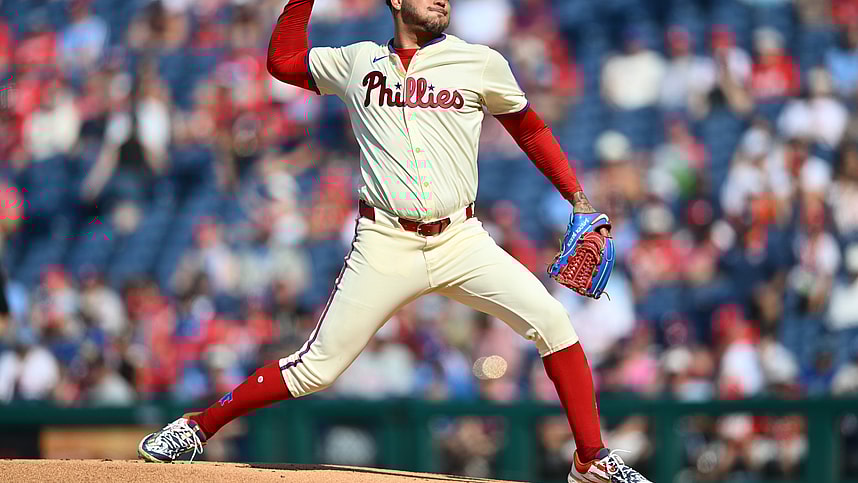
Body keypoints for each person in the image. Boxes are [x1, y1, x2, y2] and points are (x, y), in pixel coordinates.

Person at [137, 0, 650, 481]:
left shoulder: (479, 62)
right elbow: (284, 61)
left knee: (555, 322)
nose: (443, 1)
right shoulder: (358, 61)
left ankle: (591, 459)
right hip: (385, 241)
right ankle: (195, 428)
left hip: (461, 239)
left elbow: (531, 131)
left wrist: (577, 198)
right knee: (316, 370)